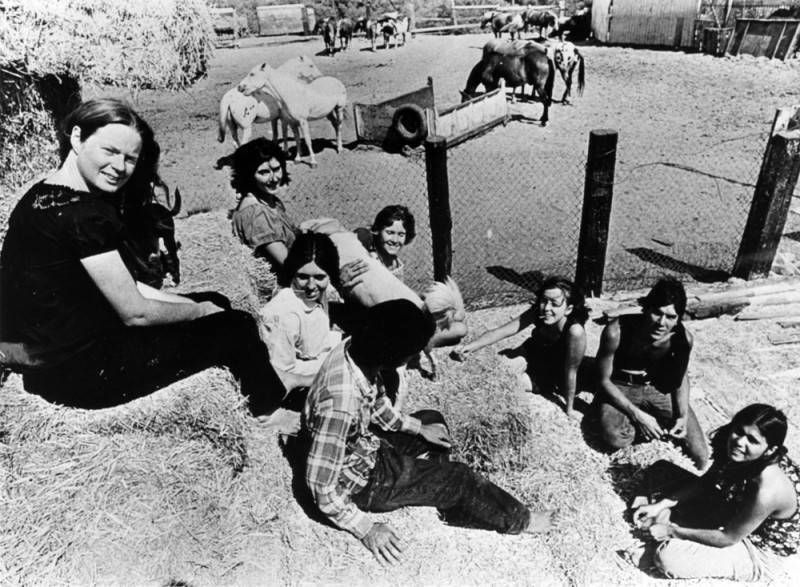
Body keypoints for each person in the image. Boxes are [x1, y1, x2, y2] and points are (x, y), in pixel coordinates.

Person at [0, 98, 297, 428]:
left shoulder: (42, 194)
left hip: (57, 360)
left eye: (130, 158)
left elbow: (125, 284)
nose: (120, 167)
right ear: (76, 138)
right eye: (109, 151)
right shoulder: (83, 216)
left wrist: (201, 306)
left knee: (216, 302)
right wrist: (199, 312)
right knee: (236, 325)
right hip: (80, 374)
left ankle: (265, 375)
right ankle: (270, 413)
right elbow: (135, 312)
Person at [301, 299, 554, 564]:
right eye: (410, 354)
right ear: (390, 354)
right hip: (365, 482)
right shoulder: (340, 404)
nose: (413, 358)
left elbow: (375, 404)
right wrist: (366, 528)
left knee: (433, 420)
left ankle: (444, 497)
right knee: (459, 477)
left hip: (365, 445)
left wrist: (419, 427)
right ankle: (522, 519)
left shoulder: (357, 347)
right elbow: (321, 485)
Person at [632, 404, 799, 581]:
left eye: (752, 440)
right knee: (661, 470)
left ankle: (662, 529)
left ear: (770, 450)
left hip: (756, 547)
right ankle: (660, 519)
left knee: (668, 558)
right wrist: (662, 504)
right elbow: (707, 482)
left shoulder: (767, 490)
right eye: (739, 432)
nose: (740, 442)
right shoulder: (734, 448)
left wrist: (671, 532)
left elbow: (728, 537)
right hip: (732, 508)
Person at [593, 277, 709, 469]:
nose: (662, 323)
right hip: (621, 384)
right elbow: (602, 380)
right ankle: (642, 422)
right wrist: (638, 416)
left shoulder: (683, 339)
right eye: (657, 313)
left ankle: (653, 421)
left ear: (679, 318)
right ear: (646, 308)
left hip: (657, 387)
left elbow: (680, 377)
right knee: (615, 438)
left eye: (671, 317)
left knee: (700, 455)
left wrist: (682, 415)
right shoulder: (617, 331)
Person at [451, 275, 588, 416]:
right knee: (496, 374)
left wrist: (569, 408)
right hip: (530, 353)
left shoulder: (575, 332)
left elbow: (571, 370)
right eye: (544, 301)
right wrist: (471, 346)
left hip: (550, 371)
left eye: (554, 303)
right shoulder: (538, 313)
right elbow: (502, 331)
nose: (546, 308)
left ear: (568, 309)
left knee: (507, 385)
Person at [259, 232, 342, 388]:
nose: (311, 286)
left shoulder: (316, 294)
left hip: (317, 359)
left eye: (319, 277)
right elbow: (281, 372)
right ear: (292, 273)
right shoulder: (285, 314)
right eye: (303, 277)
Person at [217, 137, 298, 270]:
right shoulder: (257, 214)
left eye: (277, 169)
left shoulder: (268, 199)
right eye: (263, 172)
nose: (274, 178)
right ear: (248, 176)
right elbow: (289, 265)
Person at [354, 204, 415, 281]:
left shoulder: (397, 266)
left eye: (401, 234)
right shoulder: (368, 256)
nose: (395, 240)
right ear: (378, 230)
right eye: (390, 233)